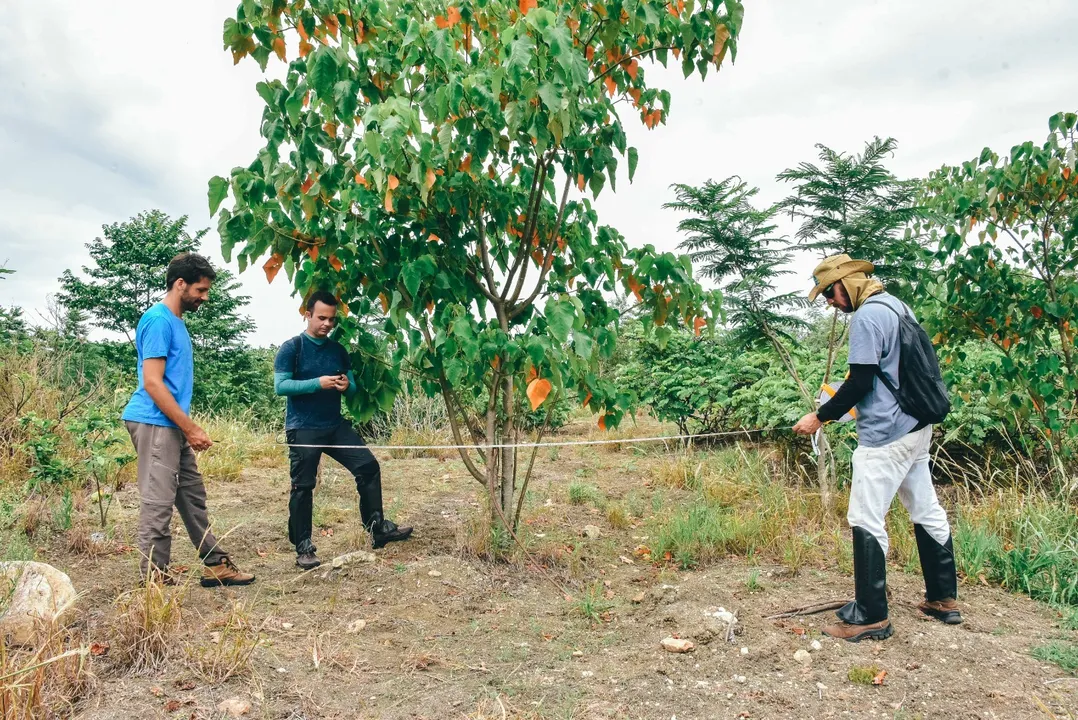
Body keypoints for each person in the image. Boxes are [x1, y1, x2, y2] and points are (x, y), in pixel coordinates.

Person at [793, 254, 960, 642]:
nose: (829, 302)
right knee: (926, 508)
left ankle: (870, 616)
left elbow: (861, 383)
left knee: (865, 517)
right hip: (918, 426)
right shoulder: (897, 306)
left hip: (886, 436)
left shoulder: (867, 316)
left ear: (846, 283)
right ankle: (943, 599)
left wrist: (820, 416)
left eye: (829, 293)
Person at [122, 253, 256, 587]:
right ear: (180, 284)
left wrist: (185, 426)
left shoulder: (176, 322)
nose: (204, 297)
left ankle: (216, 563)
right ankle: (153, 583)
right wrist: (190, 427)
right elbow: (152, 382)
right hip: (154, 423)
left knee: (192, 496)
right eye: (200, 289)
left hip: (170, 424)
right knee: (158, 503)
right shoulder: (158, 320)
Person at [274, 290, 413, 570]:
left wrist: (345, 387)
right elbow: (281, 386)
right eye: (321, 318)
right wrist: (318, 383)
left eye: (331, 320)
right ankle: (303, 548)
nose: (326, 324)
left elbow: (352, 388)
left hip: (334, 426)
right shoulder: (292, 348)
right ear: (307, 315)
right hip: (303, 428)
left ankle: (377, 529)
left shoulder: (338, 350)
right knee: (303, 487)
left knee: (369, 466)